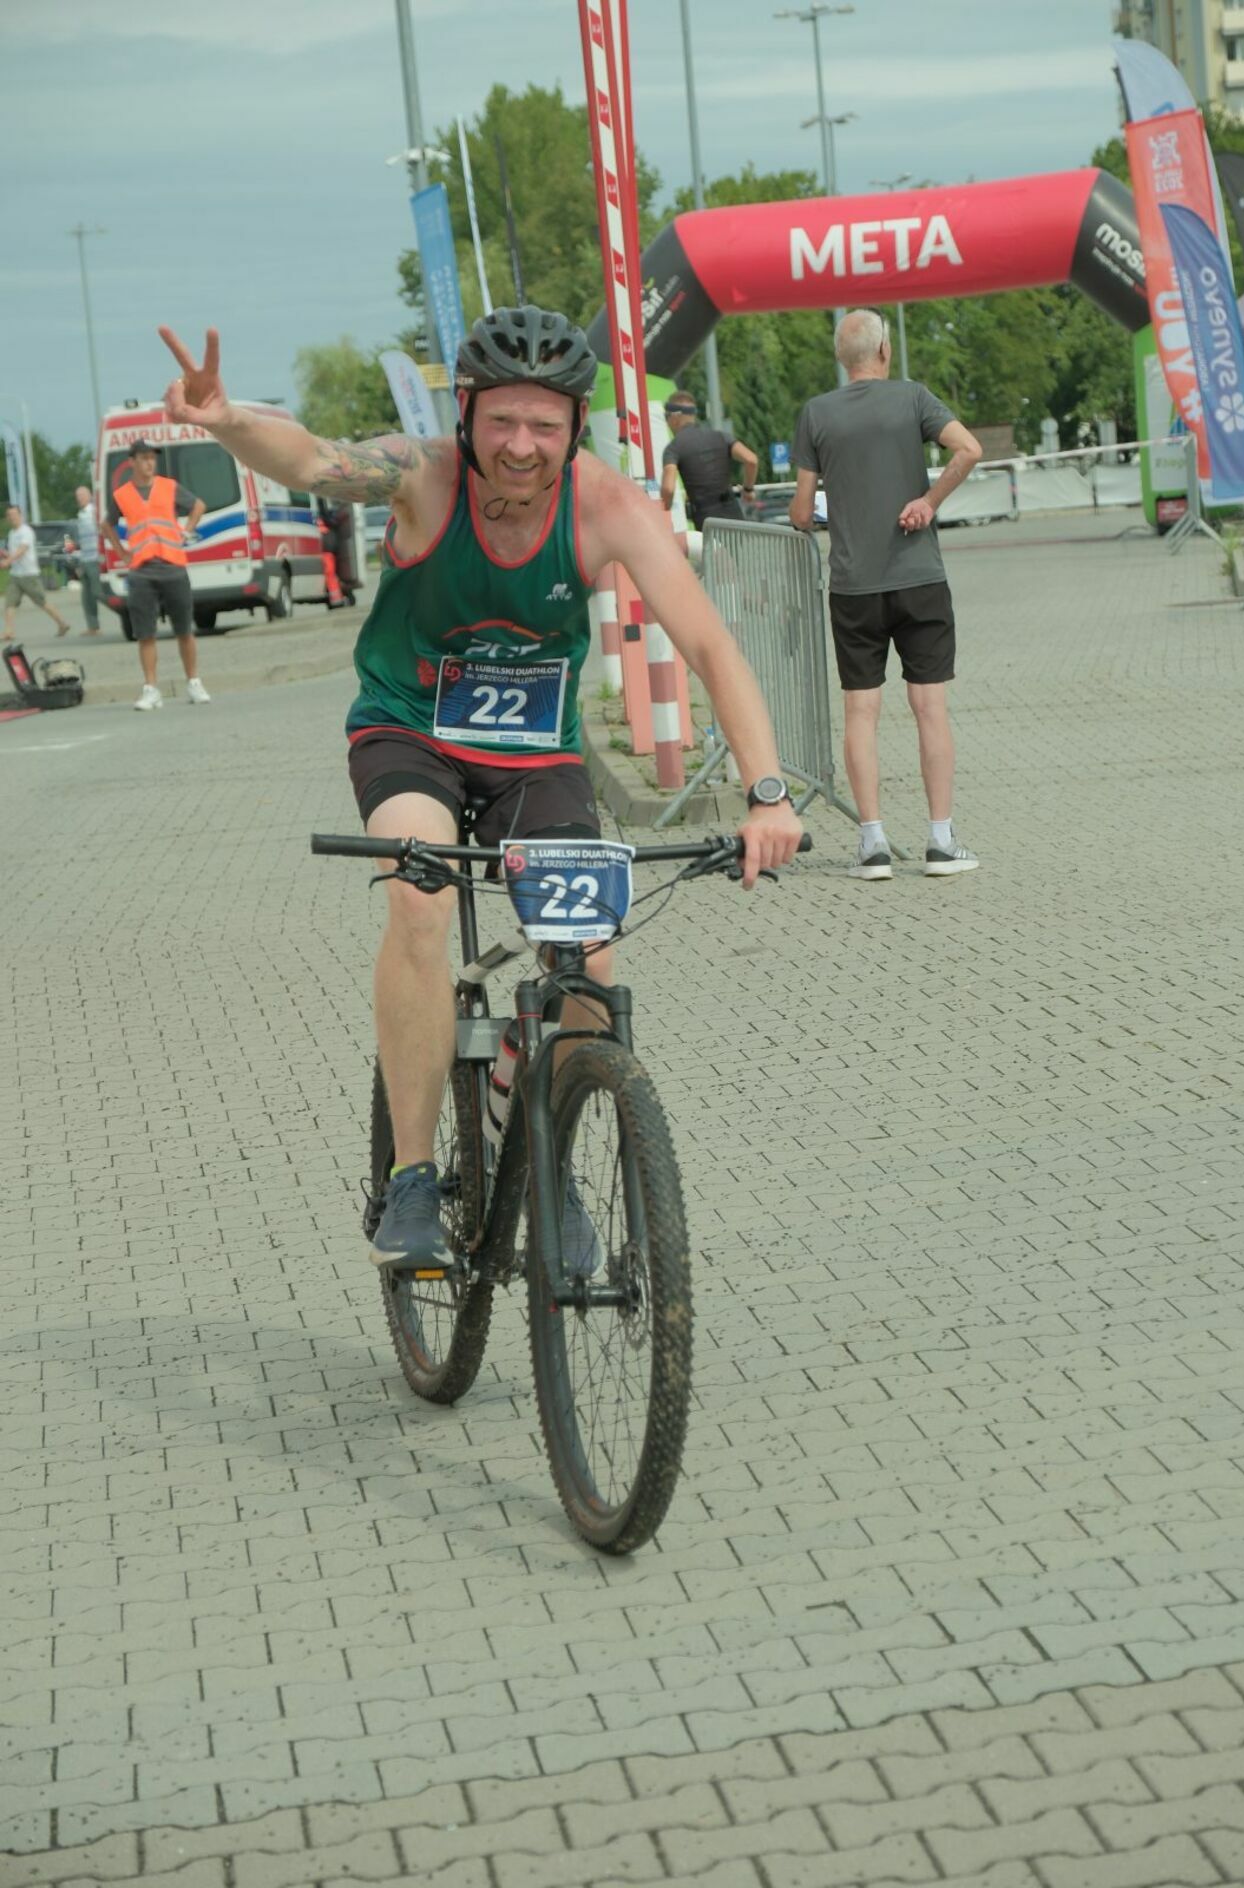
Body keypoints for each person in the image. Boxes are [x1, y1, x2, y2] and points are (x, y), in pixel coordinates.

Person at [159, 307, 802, 1272]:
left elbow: (710, 644)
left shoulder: (606, 507)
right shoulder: (423, 479)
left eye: (545, 424)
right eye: (502, 420)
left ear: (574, 426)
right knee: (422, 893)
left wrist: (767, 791)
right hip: (410, 731)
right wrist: (229, 422)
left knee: (589, 957)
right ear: (466, 412)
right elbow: (315, 462)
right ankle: (414, 1178)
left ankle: (549, 1163)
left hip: (536, 753)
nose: (521, 445)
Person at [789, 308, 983, 880]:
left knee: (860, 710)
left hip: (853, 586)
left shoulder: (816, 414)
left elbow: (801, 511)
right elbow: (968, 449)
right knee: (929, 708)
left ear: (839, 359)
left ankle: (872, 845)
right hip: (920, 577)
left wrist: (823, 513)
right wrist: (928, 502)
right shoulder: (914, 398)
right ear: (885, 352)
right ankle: (941, 843)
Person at [99, 442, 211, 710]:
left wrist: (186, 531)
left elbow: (198, 505)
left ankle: (194, 682)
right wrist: (121, 551)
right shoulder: (122, 495)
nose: (150, 463)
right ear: (132, 463)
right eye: (144, 458)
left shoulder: (168, 487)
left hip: (173, 565)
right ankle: (151, 689)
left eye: (152, 458)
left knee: (184, 629)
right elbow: (106, 524)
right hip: (141, 571)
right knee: (145, 633)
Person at [659, 394, 758, 529]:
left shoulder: (673, 448)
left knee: (715, 551)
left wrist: (664, 513)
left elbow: (668, 489)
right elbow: (751, 460)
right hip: (733, 514)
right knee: (737, 550)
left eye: (667, 417)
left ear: (675, 416)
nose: (667, 422)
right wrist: (748, 489)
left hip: (706, 518)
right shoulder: (721, 436)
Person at [2, 502, 72, 639]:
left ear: (20, 515)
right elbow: (13, 552)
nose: (12, 517)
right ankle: (9, 631)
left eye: (14, 514)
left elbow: (22, 550)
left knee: (41, 601)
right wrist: (5, 555)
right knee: (9, 603)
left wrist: (8, 561)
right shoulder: (11, 533)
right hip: (16, 574)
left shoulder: (26, 531)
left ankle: (62, 623)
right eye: (9, 515)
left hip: (29, 574)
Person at [64, 485, 102, 636]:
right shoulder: (81, 515)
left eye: (81, 495)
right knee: (87, 595)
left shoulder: (94, 512)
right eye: (77, 496)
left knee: (99, 592)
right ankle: (93, 626)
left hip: (96, 558)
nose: (79, 498)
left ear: (89, 496)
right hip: (85, 558)